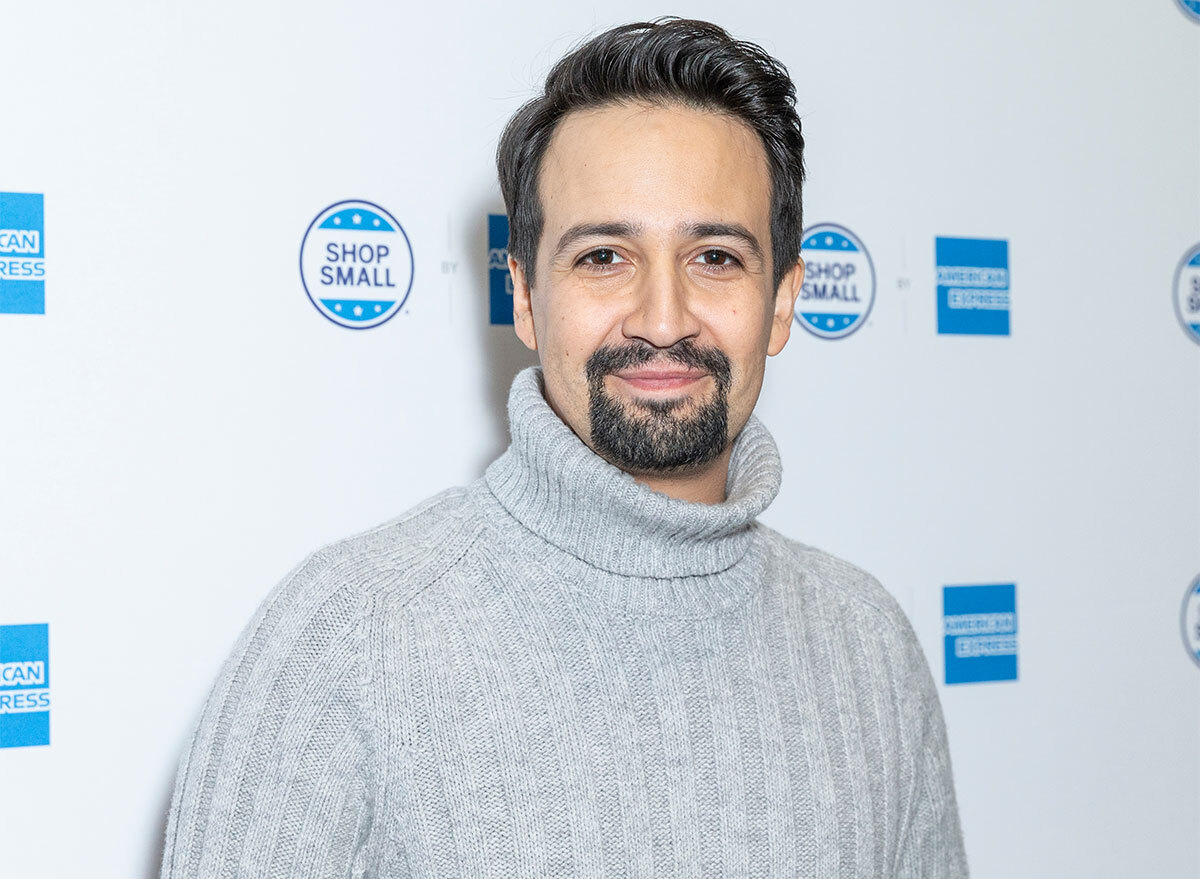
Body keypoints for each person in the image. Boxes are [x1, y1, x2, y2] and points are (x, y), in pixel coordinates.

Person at [160, 17, 968, 878]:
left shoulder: (869, 646)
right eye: (605, 256)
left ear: (781, 301)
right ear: (525, 296)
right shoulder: (349, 643)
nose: (663, 319)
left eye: (717, 257)